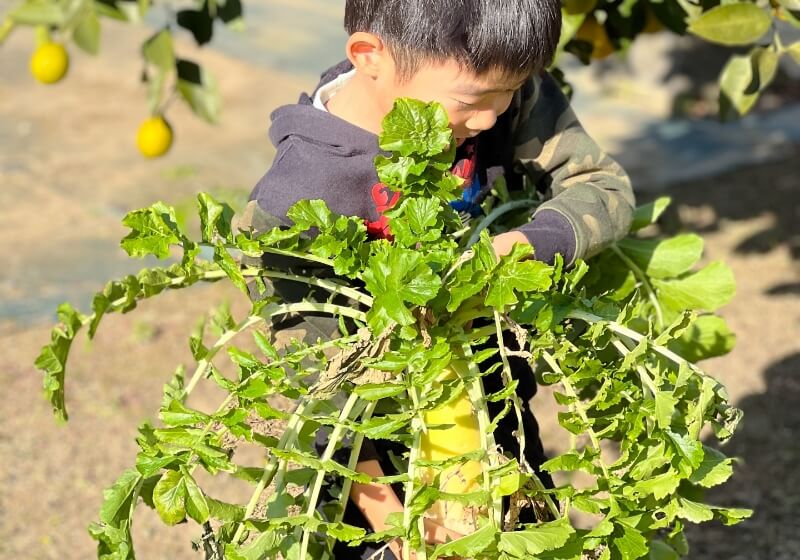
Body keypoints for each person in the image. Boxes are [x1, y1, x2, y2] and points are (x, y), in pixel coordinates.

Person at [241, 0, 635, 557]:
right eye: (473, 102)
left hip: (496, 409)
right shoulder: (299, 194)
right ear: (369, 56)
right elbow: (311, 384)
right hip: (368, 453)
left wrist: (526, 245)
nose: (492, 119)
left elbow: (603, 186)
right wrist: (391, 515)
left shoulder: (498, 80)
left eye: (511, 93)